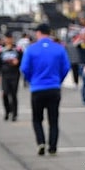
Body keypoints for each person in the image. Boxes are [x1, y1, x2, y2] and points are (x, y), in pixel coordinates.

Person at [20, 23, 70, 156]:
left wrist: (32, 80)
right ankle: (53, 146)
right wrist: (58, 80)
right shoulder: (59, 49)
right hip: (54, 87)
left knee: (37, 118)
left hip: (37, 88)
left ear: (38, 33)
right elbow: (66, 67)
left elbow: (24, 68)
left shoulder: (31, 49)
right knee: (53, 119)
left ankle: (41, 142)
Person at [0, 34, 22, 122]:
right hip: (5, 74)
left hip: (15, 74)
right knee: (5, 93)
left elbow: (23, 60)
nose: (8, 40)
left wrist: (18, 62)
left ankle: (14, 113)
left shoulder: (17, 49)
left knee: (13, 94)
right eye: (7, 38)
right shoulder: (0, 49)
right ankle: (7, 111)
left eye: (10, 38)